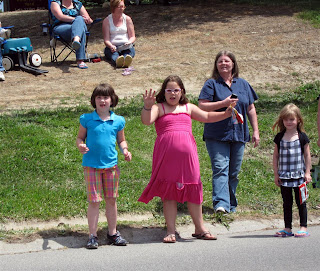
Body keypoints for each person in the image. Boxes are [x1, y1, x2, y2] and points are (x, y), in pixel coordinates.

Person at [138, 75, 234, 243]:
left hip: (188, 158)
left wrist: (226, 114)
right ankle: (170, 230)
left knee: (194, 191)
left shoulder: (188, 107)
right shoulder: (159, 108)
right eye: (169, 90)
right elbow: (147, 121)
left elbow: (207, 117)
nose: (172, 93)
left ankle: (200, 228)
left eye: (176, 90)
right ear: (164, 92)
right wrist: (147, 107)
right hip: (166, 158)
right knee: (169, 194)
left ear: (182, 92)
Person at [198, 50, 260, 214]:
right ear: (216, 65)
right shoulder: (211, 84)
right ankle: (221, 205)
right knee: (220, 169)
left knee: (233, 172)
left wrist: (256, 131)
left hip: (238, 134)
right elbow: (202, 105)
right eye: (220, 61)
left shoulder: (243, 84)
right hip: (217, 134)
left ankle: (231, 205)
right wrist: (224, 103)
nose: (223, 64)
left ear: (233, 64)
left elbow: (251, 108)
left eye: (227, 61)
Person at [76, 83, 132, 249]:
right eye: (99, 97)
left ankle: (113, 233)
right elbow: (80, 138)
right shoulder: (87, 119)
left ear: (112, 100)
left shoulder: (118, 120)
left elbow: (121, 139)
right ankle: (92, 236)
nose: (102, 100)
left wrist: (125, 150)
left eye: (106, 97)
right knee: (94, 201)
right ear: (94, 100)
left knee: (111, 200)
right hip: (91, 167)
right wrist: (80, 145)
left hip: (111, 167)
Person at [272, 103, 312, 237]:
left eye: (292, 119)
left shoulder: (302, 137)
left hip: (299, 175)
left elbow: (307, 155)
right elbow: (276, 156)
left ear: (298, 120)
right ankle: (287, 228)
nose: (288, 122)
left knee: (301, 202)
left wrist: (307, 173)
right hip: (284, 176)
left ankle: (303, 227)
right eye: (286, 119)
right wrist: (276, 174)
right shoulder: (279, 137)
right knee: (286, 203)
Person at [50, 0, 93, 69]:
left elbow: (90, 20)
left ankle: (76, 39)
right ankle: (80, 60)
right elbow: (60, 17)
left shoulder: (77, 4)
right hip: (62, 28)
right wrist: (76, 20)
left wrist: (87, 19)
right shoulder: (55, 3)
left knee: (80, 22)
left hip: (79, 27)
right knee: (79, 22)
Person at [102, 0, 136, 68]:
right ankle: (118, 61)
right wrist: (111, 46)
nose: (122, 9)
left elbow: (133, 37)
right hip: (112, 47)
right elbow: (106, 40)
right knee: (114, 55)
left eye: (123, 7)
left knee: (128, 53)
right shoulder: (107, 20)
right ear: (113, 7)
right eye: (119, 7)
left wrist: (129, 42)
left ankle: (126, 60)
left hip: (126, 46)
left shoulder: (127, 19)